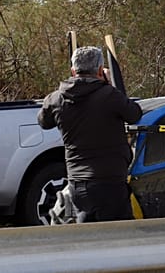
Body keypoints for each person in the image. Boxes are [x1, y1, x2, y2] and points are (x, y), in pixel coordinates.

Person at [38, 45, 142, 223]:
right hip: (112, 181)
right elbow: (134, 114)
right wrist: (110, 85)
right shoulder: (110, 96)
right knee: (121, 238)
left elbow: (44, 122)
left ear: (73, 70)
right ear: (101, 70)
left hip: (78, 184)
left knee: (86, 238)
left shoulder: (56, 99)